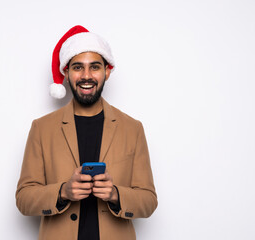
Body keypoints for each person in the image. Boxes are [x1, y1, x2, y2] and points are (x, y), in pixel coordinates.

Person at [16, 25, 157, 240]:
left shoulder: (132, 128)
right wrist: (63, 192)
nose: (86, 76)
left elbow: (148, 201)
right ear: (66, 72)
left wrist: (115, 195)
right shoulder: (41, 128)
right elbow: (24, 199)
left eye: (95, 67)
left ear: (107, 72)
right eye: (78, 67)